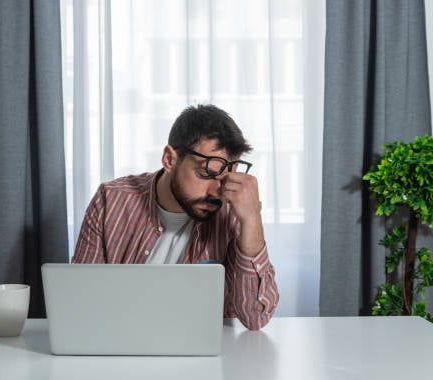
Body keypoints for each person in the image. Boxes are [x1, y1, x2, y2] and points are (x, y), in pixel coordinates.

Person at [72, 104, 279, 330]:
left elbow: (255, 318)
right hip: (121, 344)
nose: (216, 192)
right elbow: (81, 302)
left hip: (203, 353)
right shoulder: (110, 201)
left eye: (225, 179)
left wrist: (252, 220)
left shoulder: (232, 211)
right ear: (169, 159)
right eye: (204, 174)